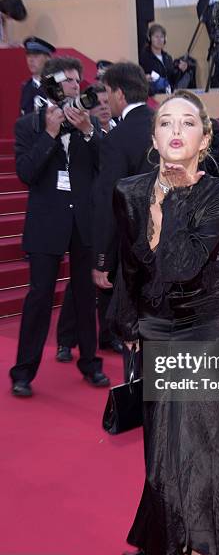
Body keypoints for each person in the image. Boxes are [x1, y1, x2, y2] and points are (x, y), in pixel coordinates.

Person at [111, 89, 219, 555]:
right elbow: (130, 263)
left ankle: (207, 552)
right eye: (165, 123)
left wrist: (170, 200)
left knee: (208, 434)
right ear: (153, 135)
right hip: (156, 314)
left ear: (205, 137)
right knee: (165, 434)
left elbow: (186, 262)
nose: (175, 131)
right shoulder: (128, 191)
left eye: (187, 123)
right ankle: (167, 530)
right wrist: (126, 321)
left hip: (209, 313)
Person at [9, 56, 110, 397]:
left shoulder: (88, 122)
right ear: (50, 84)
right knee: (39, 296)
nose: (74, 86)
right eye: (68, 80)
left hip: (82, 222)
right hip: (46, 223)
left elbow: (106, 163)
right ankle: (23, 372)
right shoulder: (29, 125)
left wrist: (86, 130)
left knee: (85, 296)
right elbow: (26, 173)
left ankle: (91, 363)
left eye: (76, 80)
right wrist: (51, 134)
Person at [56, 84, 120, 363]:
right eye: (99, 103)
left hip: (114, 212)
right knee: (81, 281)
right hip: (88, 213)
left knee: (110, 275)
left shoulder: (121, 131)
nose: (104, 107)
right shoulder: (81, 132)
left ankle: (108, 334)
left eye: (108, 102)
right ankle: (65, 340)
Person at [93, 62, 155, 290]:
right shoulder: (166, 125)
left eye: (108, 92)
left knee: (121, 320)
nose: (106, 99)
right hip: (171, 244)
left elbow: (110, 202)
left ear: (119, 94)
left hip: (132, 250)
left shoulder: (116, 139)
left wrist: (103, 259)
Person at [99, 0, 165, 56]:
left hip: (141, 6)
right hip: (121, 5)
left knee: (139, 46)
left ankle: (138, 69)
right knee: (120, 46)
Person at [139, 23, 190, 94]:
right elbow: (138, 77)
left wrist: (181, 70)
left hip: (168, 95)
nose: (159, 40)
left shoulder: (168, 58)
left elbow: (172, 79)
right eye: (156, 37)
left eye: (162, 37)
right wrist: (144, 78)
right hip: (152, 96)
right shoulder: (144, 57)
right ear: (150, 38)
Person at [20, 36, 56, 116]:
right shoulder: (26, 87)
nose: (31, 60)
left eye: (35, 56)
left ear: (48, 58)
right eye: (28, 55)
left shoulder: (55, 85)